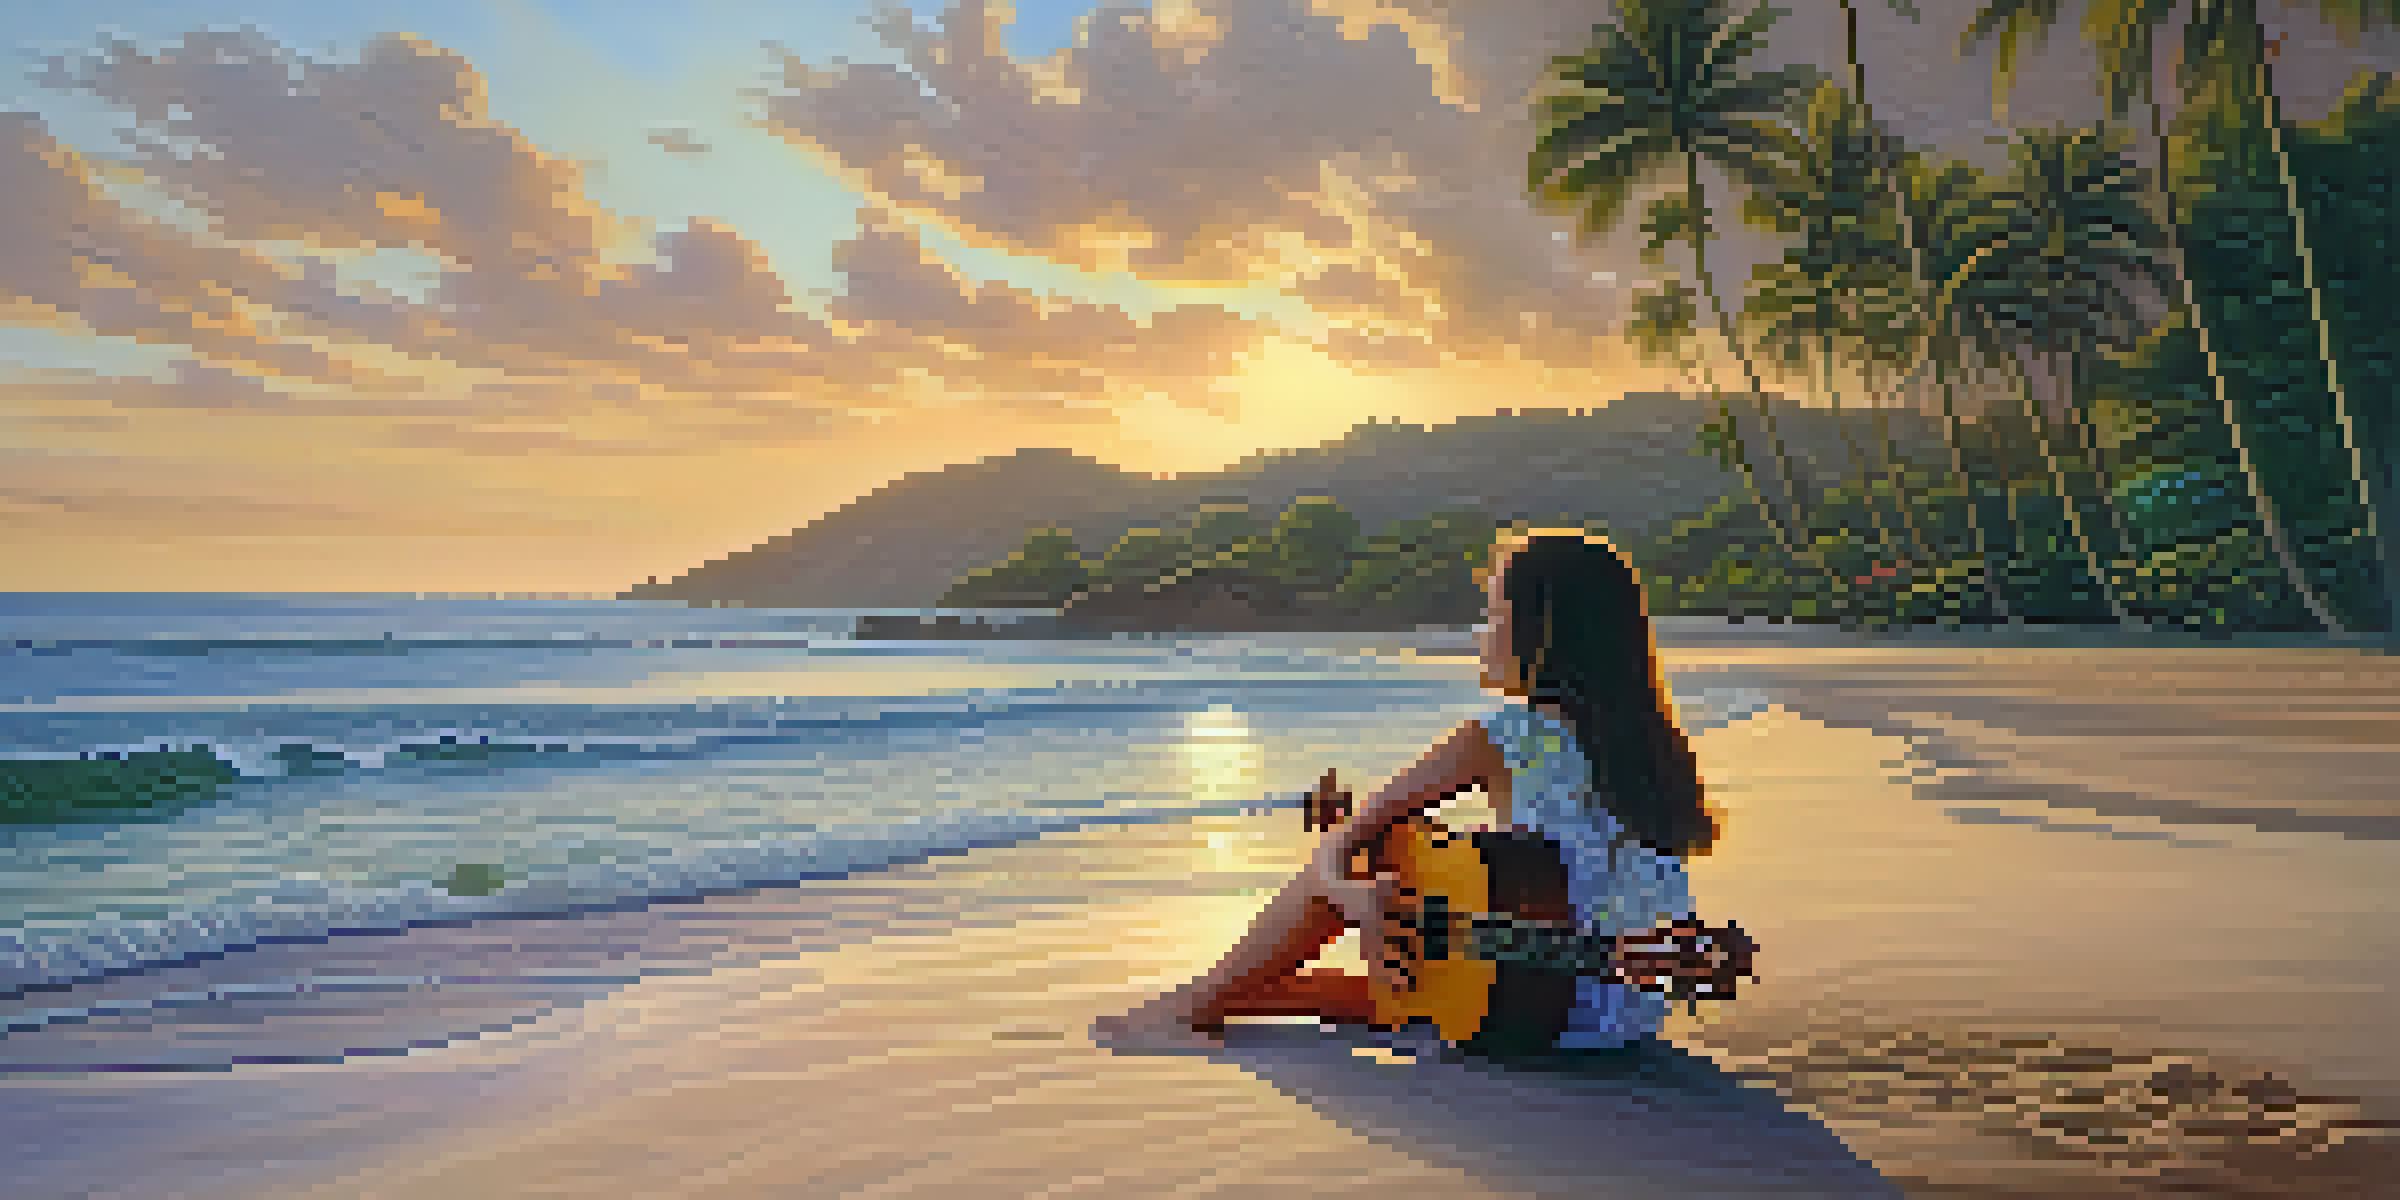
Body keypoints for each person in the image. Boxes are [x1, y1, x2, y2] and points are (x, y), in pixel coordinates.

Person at [1095, 529, 1720, 1054]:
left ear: (1541, 632)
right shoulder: (1659, 746)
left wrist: (1352, 898)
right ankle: (1219, 998)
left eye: (1496, 614)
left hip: (1530, 1009)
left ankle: (1195, 1004)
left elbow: (1347, 842)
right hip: (1619, 1018)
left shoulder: (1501, 734)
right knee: (1391, 908)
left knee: (1338, 864)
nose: (1483, 632)